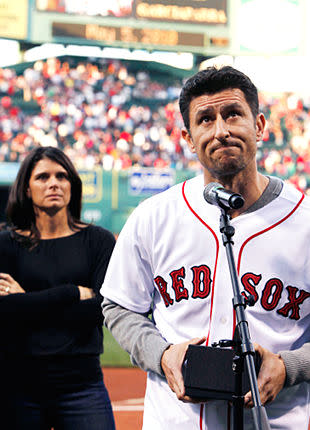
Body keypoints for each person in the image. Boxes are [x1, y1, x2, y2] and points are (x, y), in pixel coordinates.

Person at [101, 65, 310, 430]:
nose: (221, 130)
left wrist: (290, 367)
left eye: (233, 114)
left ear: (259, 125)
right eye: (205, 119)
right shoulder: (154, 216)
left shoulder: (303, 219)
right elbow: (119, 306)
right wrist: (163, 355)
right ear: (188, 136)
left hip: (275, 422)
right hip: (175, 421)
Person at [0, 146, 116, 430]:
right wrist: (72, 293)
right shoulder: (6, 244)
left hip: (82, 385)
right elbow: (4, 312)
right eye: (42, 177)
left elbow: (101, 310)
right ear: (26, 188)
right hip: (17, 386)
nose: (53, 183)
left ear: (72, 185)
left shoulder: (98, 241)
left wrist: (26, 302)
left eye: (61, 176)